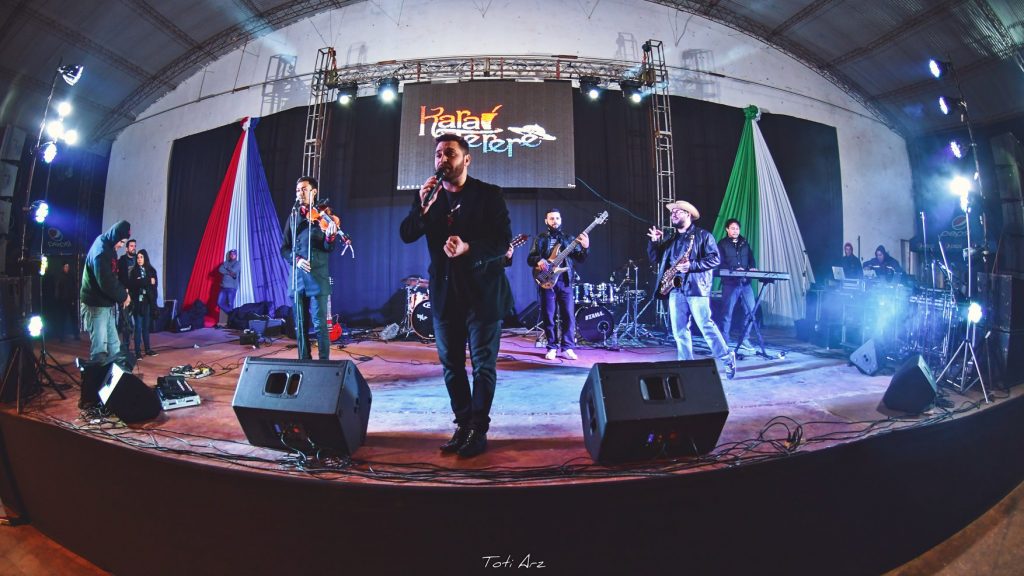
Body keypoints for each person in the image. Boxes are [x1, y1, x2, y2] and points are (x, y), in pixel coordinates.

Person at [400, 133, 513, 458]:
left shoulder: (489, 195)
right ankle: (463, 424)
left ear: (466, 159)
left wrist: (468, 248)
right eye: (438, 154)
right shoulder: (428, 196)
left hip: (483, 294)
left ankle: (479, 429)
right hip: (445, 295)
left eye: (449, 153)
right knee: (451, 366)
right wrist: (422, 208)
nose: (442, 159)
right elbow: (406, 234)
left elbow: (502, 241)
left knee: (482, 366)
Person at [647, 201, 736, 379]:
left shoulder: (703, 236)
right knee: (679, 331)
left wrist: (692, 265)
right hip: (675, 289)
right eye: (672, 212)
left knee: (705, 326)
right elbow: (655, 258)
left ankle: (727, 358)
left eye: (677, 211)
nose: (673, 214)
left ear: (688, 214)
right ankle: (686, 367)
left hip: (696, 288)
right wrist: (654, 242)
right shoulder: (671, 239)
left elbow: (715, 259)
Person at [281, 177, 340, 360]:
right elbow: (285, 248)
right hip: (297, 278)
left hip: (317, 277)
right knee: (300, 324)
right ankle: (304, 361)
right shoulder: (293, 217)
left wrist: (330, 237)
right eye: (298, 190)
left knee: (320, 324)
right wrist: (296, 260)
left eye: (304, 189)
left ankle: (324, 363)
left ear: (313, 192)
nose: (300, 193)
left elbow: (328, 248)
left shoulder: (323, 217)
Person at [526, 208, 589, 360]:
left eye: (557, 218)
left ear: (561, 220)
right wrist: (539, 260)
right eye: (552, 218)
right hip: (546, 280)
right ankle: (552, 347)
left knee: (568, 315)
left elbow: (580, 259)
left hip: (565, 281)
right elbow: (530, 259)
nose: (555, 221)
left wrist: (585, 247)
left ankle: (567, 347)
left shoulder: (569, 239)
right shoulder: (540, 239)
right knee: (549, 316)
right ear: (546, 221)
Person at [80, 220, 132, 365]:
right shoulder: (101, 251)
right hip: (96, 306)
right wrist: (123, 296)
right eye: (121, 242)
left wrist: (121, 290)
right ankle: (98, 377)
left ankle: (117, 376)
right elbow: (106, 282)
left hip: (105, 305)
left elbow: (111, 276)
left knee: (114, 347)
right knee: (99, 352)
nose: (121, 246)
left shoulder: (108, 246)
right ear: (115, 237)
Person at [717, 218, 756, 351]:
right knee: (727, 312)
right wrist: (733, 269)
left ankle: (744, 339)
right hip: (730, 283)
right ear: (727, 229)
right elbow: (720, 262)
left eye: (737, 228)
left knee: (750, 310)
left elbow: (751, 258)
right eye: (733, 228)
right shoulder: (722, 244)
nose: (735, 231)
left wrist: (752, 267)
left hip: (745, 283)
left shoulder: (744, 242)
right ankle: (724, 340)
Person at [127, 249, 159, 359]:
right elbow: (134, 284)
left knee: (146, 327)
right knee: (138, 327)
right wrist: (148, 281)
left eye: (141, 257)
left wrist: (142, 281)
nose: (139, 259)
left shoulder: (151, 270)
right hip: (138, 302)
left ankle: (148, 349)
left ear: (145, 258)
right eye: (138, 257)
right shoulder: (134, 271)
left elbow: (154, 285)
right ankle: (137, 352)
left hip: (148, 302)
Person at [116, 239, 137, 354]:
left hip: (136, 294)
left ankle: (133, 346)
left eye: (134, 246)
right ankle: (125, 347)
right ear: (127, 248)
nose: (133, 248)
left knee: (129, 321)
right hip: (125, 294)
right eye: (131, 246)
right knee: (126, 321)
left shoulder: (138, 259)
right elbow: (119, 278)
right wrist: (124, 291)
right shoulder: (122, 261)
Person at [53, 262, 80, 342]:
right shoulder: (60, 277)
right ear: (63, 267)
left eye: (68, 266)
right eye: (65, 266)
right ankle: (61, 337)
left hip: (71, 300)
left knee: (74, 318)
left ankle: (76, 335)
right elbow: (58, 289)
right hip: (63, 301)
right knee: (62, 319)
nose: (67, 268)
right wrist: (58, 299)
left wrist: (74, 298)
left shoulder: (71, 276)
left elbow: (74, 287)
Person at [218, 248, 240, 317]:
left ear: (236, 255)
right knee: (219, 303)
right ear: (229, 255)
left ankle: (231, 317)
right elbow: (220, 269)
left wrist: (226, 267)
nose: (232, 255)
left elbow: (233, 270)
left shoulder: (237, 263)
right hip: (223, 286)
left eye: (234, 254)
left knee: (230, 304)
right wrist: (229, 272)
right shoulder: (226, 262)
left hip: (232, 287)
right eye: (231, 254)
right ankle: (232, 315)